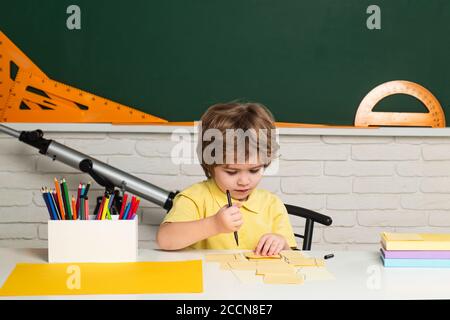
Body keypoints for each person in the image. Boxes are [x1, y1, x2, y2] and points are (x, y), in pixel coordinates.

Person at [156, 102, 296, 256]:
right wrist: (214, 224)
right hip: (206, 279)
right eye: (231, 172)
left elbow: (293, 256)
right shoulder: (194, 198)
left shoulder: (272, 204)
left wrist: (281, 244)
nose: (244, 181)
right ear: (211, 165)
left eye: (254, 170)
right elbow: (165, 239)